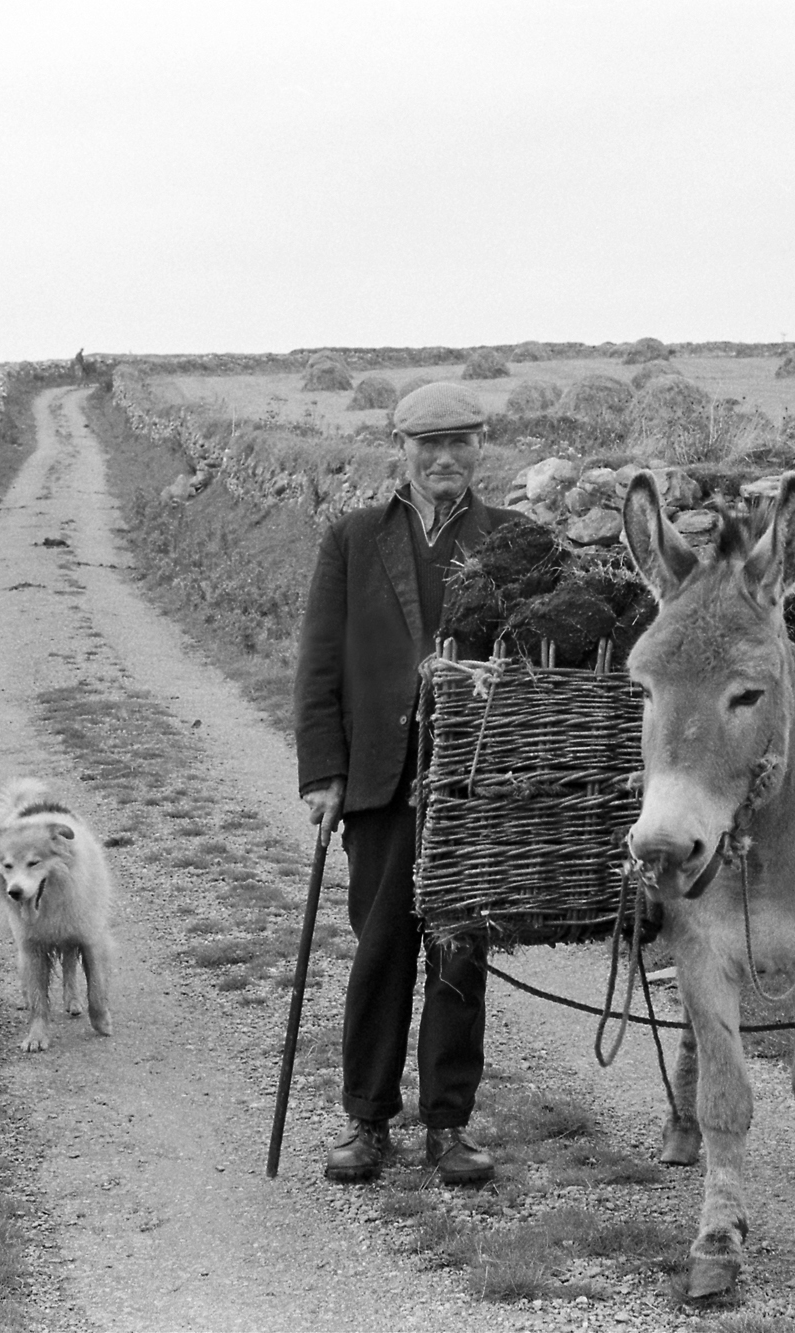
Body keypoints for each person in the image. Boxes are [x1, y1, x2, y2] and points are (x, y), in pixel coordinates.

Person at [294, 381, 524, 1186]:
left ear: (480, 448)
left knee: (459, 954)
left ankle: (449, 1127)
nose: (444, 458)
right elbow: (319, 662)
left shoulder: (514, 540)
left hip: (473, 790)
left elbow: (538, 668)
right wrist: (324, 773)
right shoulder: (354, 539)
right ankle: (367, 1121)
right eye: (428, 444)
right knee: (382, 949)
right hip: (382, 786)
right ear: (402, 449)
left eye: (460, 441)